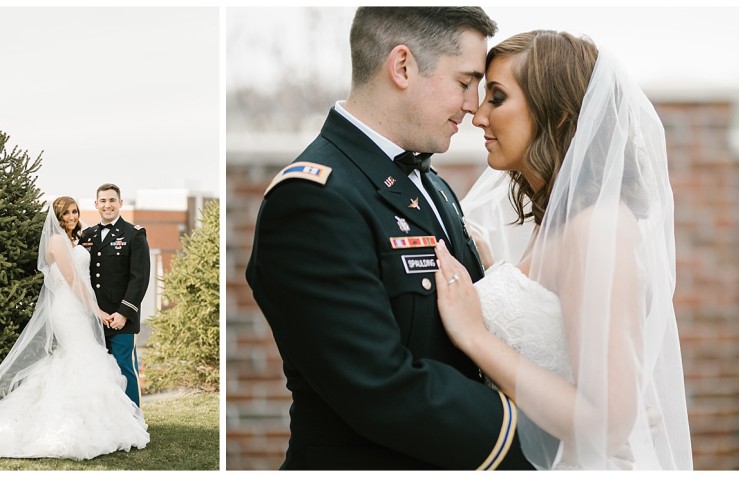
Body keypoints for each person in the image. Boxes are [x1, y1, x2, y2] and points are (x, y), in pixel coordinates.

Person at [246, 7, 533, 470]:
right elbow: (380, 387)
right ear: (402, 66)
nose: (473, 106)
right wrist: (548, 439)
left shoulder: (430, 183)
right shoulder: (312, 200)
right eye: (465, 82)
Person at [433, 30, 693, 470]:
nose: (477, 116)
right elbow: (552, 328)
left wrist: (475, 334)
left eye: (496, 97)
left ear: (555, 115)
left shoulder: (597, 228)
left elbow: (608, 421)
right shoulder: (559, 217)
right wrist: (496, 273)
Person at [0, 197, 149, 460]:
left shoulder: (77, 239)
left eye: (75, 211)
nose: (72, 216)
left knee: (81, 358)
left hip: (79, 308)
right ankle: (70, 424)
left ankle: (96, 420)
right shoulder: (57, 241)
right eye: (65, 213)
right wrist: (96, 311)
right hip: (69, 309)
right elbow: (73, 281)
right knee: (80, 358)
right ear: (56, 217)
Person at [79, 183, 150, 407]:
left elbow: (139, 278)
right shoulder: (87, 237)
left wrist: (124, 313)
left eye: (112, 200)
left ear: (120, 203)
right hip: (94, 317)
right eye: (103, 201)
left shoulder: (134, 234)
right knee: (99, 371)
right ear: (96, 204)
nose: (107, 205)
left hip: (122, 320)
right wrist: (94, 312)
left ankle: (133, 420)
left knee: (124, 369)